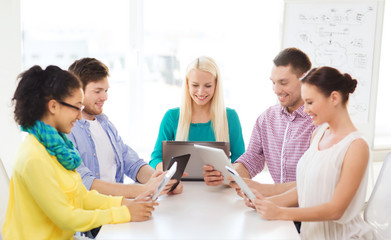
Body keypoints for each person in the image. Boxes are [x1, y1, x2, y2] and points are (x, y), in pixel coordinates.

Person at [2, 65, 158, 240]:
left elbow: (82, 197)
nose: (79, 116)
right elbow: (66, 218)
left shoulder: (59, 149)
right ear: (53, 106)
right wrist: (125, 213)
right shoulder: (34, 157)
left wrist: (126, 204)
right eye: (76, 107)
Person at [248, 66, 373, 239]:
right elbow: (305, 189)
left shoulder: (356, 146)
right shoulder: (319, 134)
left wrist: (280, 212)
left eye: (310, 102)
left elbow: (335, 210)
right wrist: (265, 203)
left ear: (334, 98)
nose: (305, 109)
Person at [204, 48, 315, 194]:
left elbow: (315, 181)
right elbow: (252, 158)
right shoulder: (267, 118)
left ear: (304, 78)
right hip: (277, 206)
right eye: (273, 82)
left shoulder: (318, 122)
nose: (276, 89)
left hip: (309, 208)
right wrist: (228, 175)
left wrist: (266, 192)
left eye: (283, 82)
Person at [67, 58, 178, 198]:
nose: (105, 97)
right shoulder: (68, 131)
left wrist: (161, 180)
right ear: (78, 91)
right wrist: (146, 190)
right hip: (96, 209)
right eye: (98, 91)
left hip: (117, 204)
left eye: (106, 91)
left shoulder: (105, 124)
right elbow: (84, 182)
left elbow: (131, 162)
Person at [149, 56, 245, 173]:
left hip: (220, 189)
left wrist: (224, 174)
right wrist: (168, 171)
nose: (201, 92)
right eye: (195, 85)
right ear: (187, 84)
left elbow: (240, 159)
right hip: (180, 188)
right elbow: (156, 158)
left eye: (208, 86)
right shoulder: (171, 117)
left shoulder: (230, 117)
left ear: (216, 85)